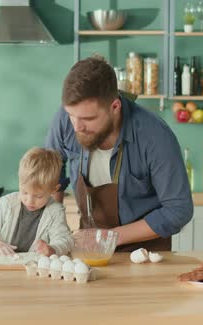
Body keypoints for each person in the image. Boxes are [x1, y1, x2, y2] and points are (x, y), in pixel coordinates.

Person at [45, 55, 193, 252]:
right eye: (72, 115)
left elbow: (179, 210)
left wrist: (110, 237)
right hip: (89, 248)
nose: (77, 126)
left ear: (115, 106)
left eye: (88, 118)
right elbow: (50, 175)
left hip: (146, 253)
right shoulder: (67, 119)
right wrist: (57, 232)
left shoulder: (154, 135)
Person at [0, 147, 74, 256]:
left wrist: (51, 249)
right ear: (20, 182)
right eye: (24, 192)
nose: (29, 201)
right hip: (3, 263)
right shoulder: (7, 203)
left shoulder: (55, 211)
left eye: (38, 196)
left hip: (34, 268)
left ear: (54, 189)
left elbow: (65, 240)